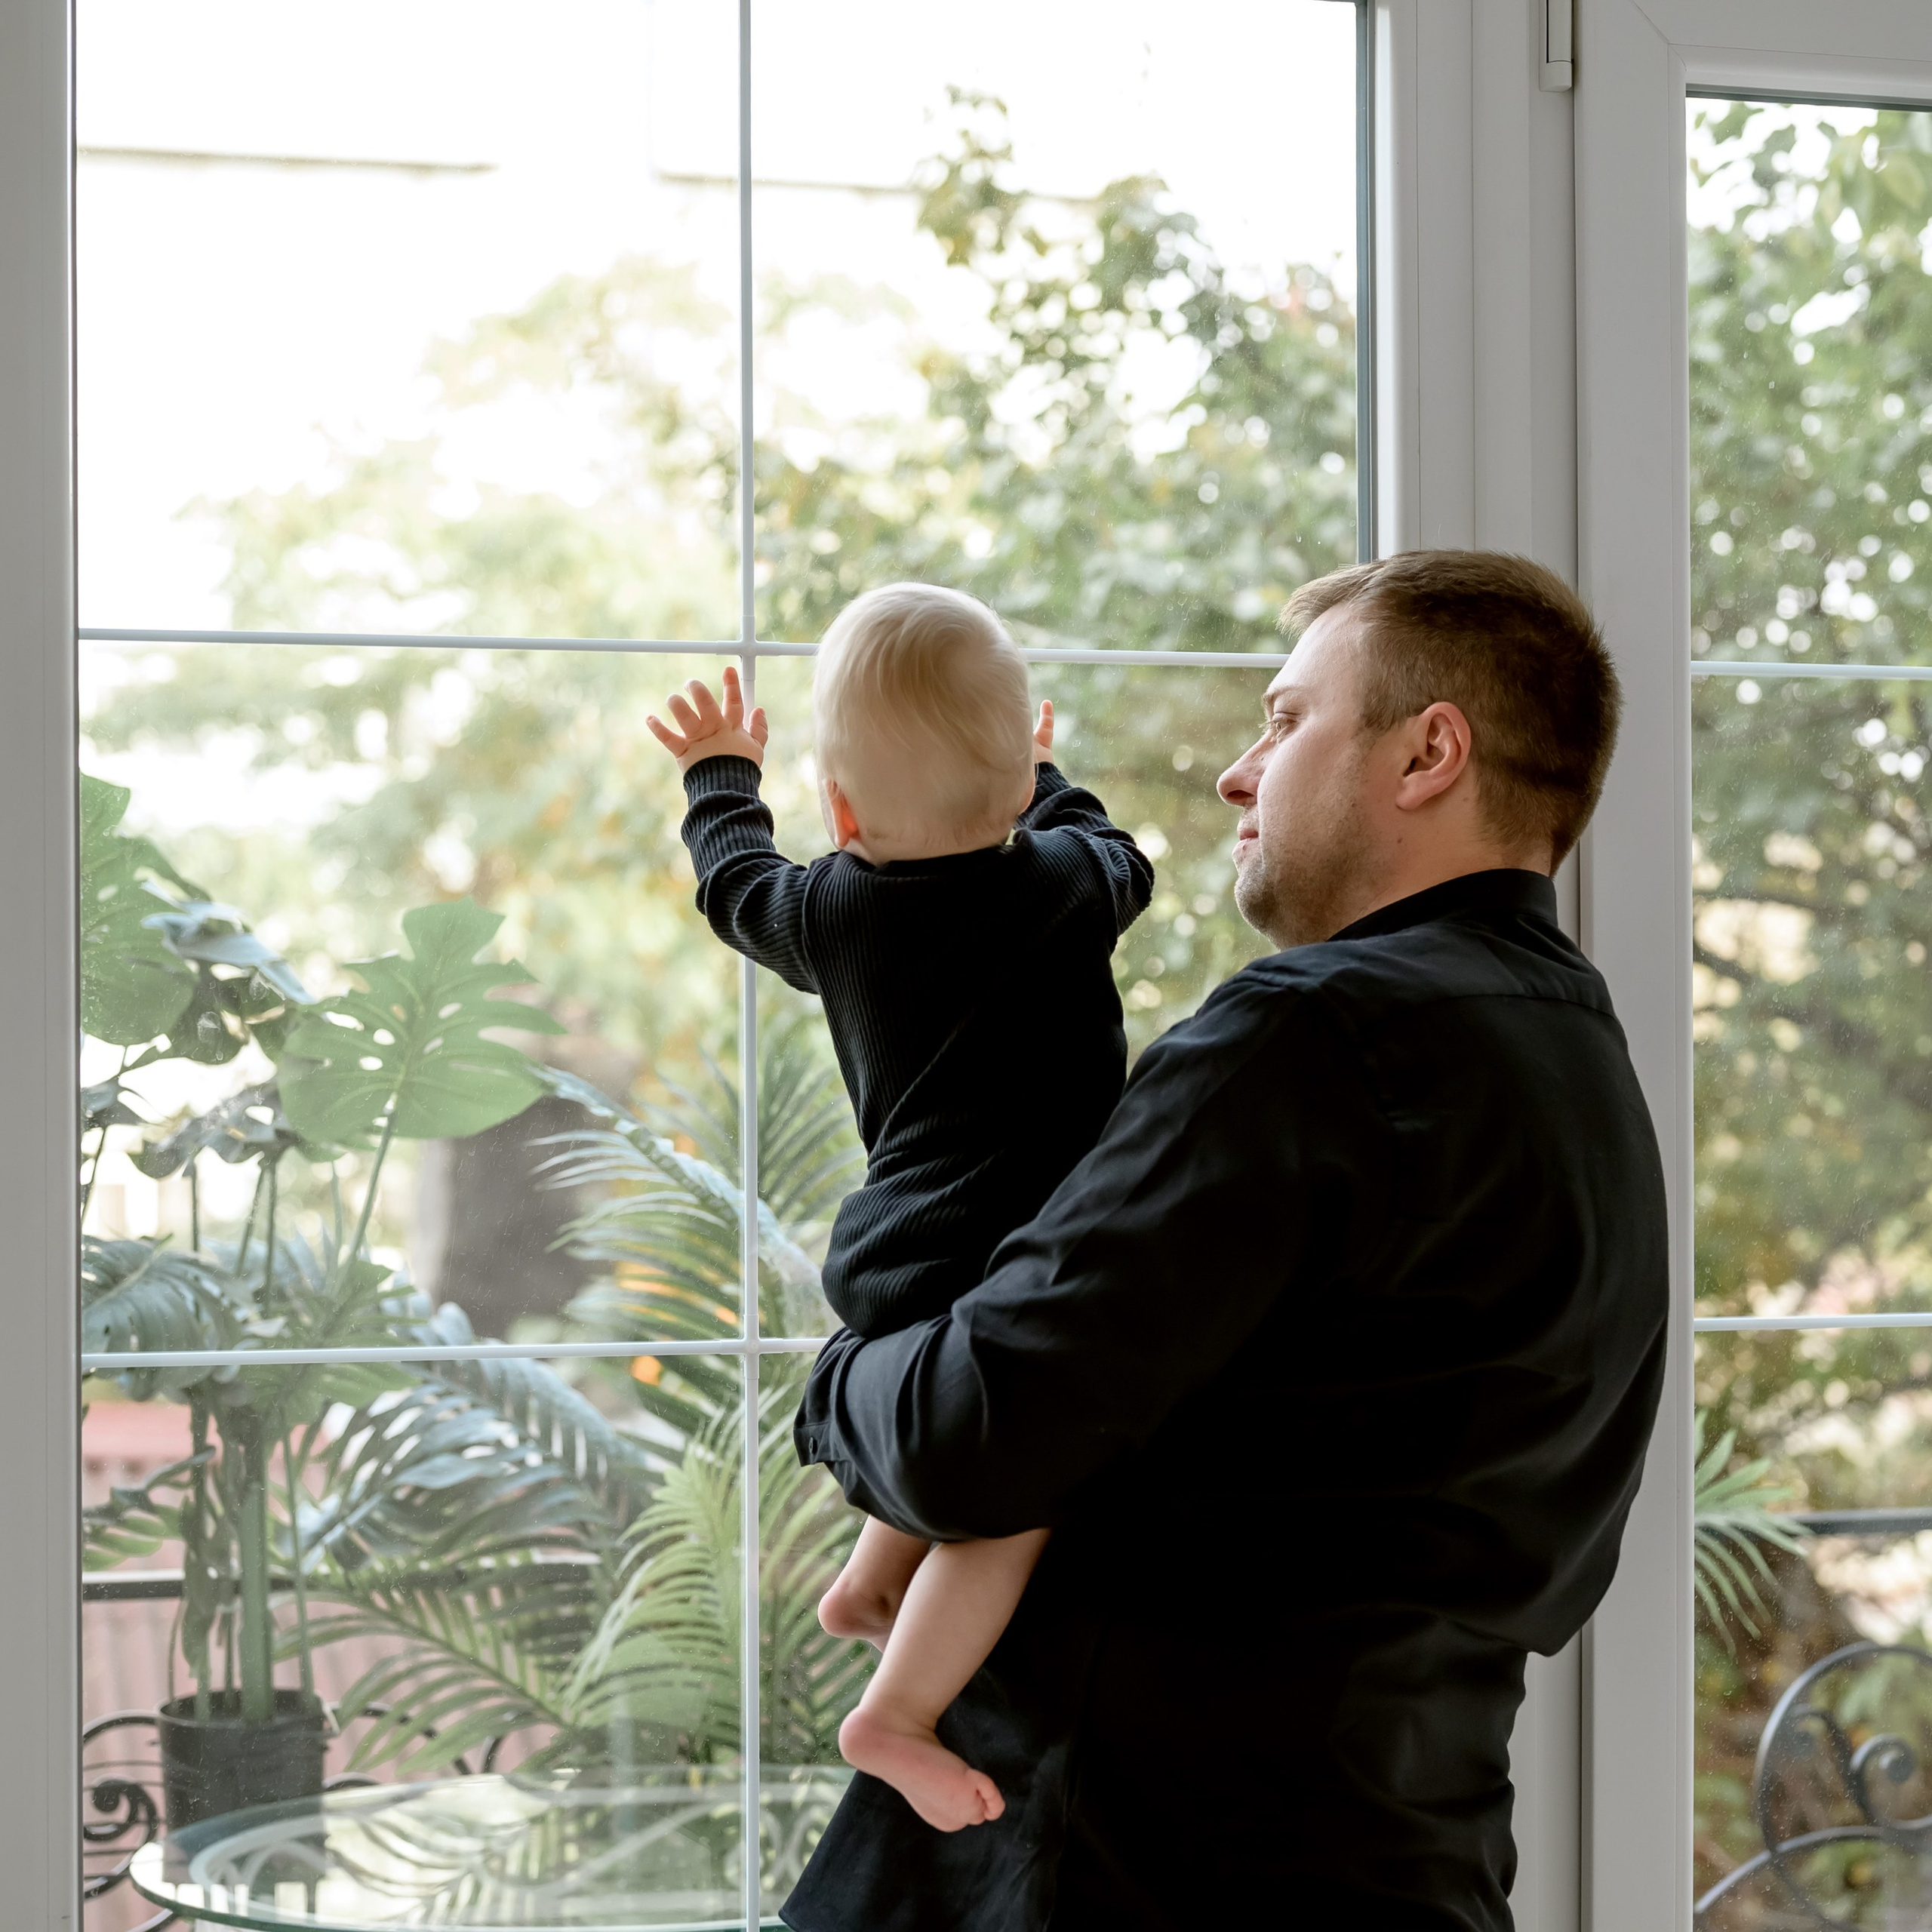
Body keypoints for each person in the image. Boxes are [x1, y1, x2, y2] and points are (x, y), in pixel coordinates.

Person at [783, 550, 1670, 1931]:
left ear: (1431, 752)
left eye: (1287, 717)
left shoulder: (1307, 1036)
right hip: (1405, 1869)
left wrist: (837, 1375)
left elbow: (972, 1434)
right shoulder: (1577, 1054)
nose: (1237, 773)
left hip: (1129, 1874)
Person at [645, 582, 1154, 1832]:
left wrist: (720, 777)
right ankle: (896, 1715)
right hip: (1023, 1263)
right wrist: (1047, 769)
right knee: (1019, 1493)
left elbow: (735, 885)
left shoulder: (833, 909)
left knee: (961, 1455)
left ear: (845, 808)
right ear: (1020, 788)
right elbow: (1124, 855)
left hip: (900, 1257)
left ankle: (873, 1583)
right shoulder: (1068, 885)